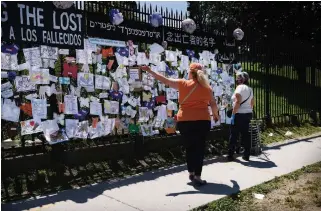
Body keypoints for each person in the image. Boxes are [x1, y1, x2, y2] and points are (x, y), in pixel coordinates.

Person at [140, 63, 219, 186]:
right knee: (199, 148)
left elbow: (164, 80)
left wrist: (150, 70)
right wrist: (215, 115)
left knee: (189, 147)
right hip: (202, 120)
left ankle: (191, 172)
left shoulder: (183, 84)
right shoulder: (207, 88)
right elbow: (213, 104)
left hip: (185, 121)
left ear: (190, 72)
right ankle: (198, 176)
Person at [228, 72, 254, 161]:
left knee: (234, 134)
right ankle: (246, 155)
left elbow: (238, 99)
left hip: (239, 114)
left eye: (238, 78)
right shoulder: (250, 89)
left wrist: (233, 114)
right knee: (245, 135)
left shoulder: (239, 87)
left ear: (242, 79)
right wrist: (249, 110)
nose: (236, 80)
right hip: (248, 114)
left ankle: (230, 154)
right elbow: (252, 102)